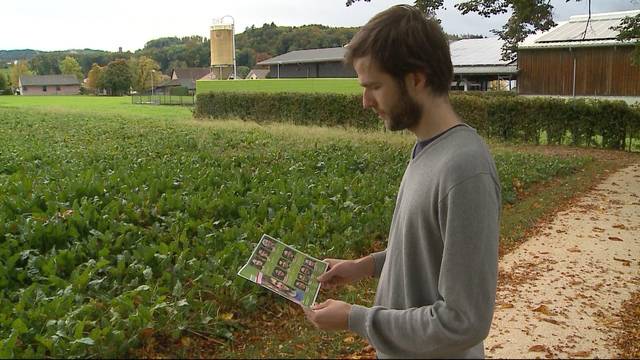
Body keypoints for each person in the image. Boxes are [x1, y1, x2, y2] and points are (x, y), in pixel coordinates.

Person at [303, 4, 501, 359]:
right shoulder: (428, 150)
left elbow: (464, 321)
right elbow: (426, 247)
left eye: (375, 86)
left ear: (416, 78)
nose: (365, 102)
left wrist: (356, 318)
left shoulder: (465, 169)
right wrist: (365, 266)